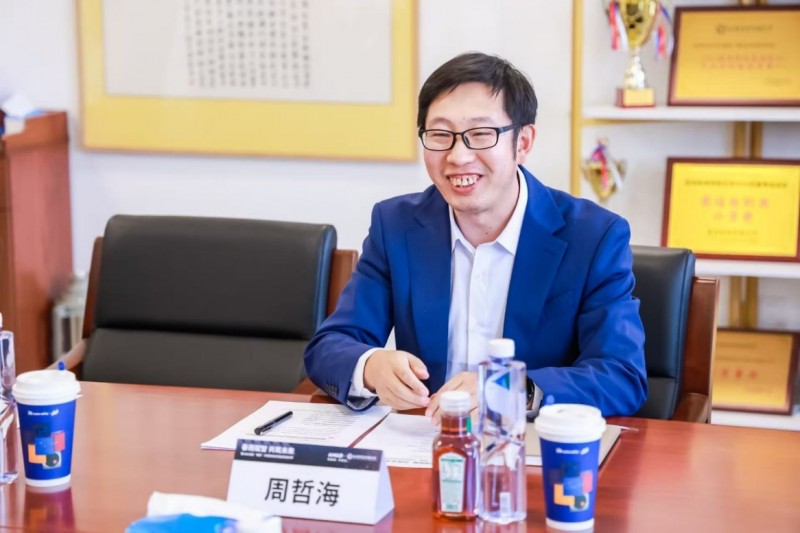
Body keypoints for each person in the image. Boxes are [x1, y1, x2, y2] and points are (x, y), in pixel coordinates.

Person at [304, 52, 647, 419]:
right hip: (428, 440)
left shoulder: (593, 237)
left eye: (481, 134)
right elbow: (329, 346)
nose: (458, 156)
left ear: (523, 143)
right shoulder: (396, 226)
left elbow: (621, 375)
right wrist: (370, 366)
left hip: (533, 444)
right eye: (440, 135)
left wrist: (508, 390)